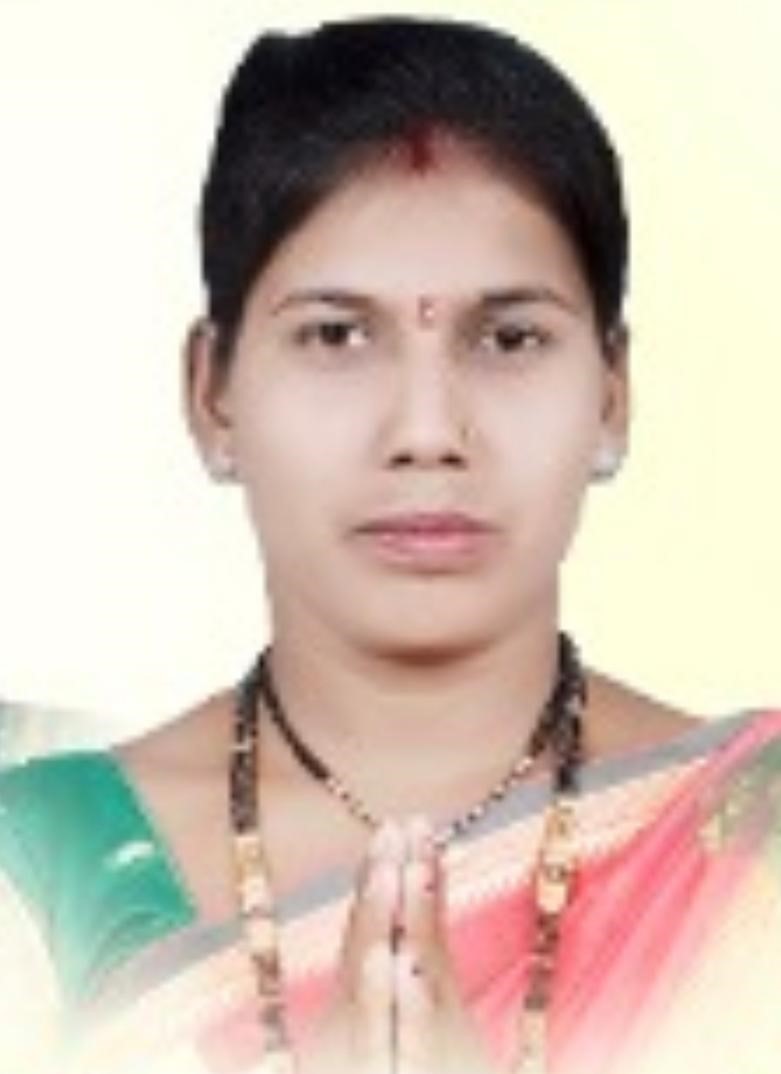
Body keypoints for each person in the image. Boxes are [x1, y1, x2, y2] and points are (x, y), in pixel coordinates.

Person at [1, 13, 779, 1074]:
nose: (425, 432)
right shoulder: (41, 871)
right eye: (335, 336)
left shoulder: (748, 849)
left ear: (611, 395)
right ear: (212, 394)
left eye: (508, 339)